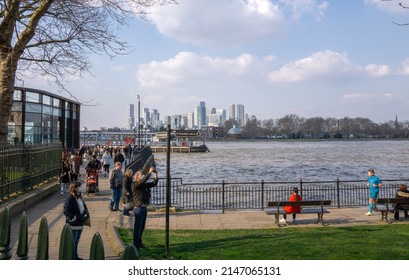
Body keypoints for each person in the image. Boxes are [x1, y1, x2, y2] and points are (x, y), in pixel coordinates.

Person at [131, 166, 158, 249]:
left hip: (144, 207)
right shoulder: (135, 184)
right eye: (141, 174)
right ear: (137, 176)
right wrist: (149, 172)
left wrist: (156, 175)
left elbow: (153, 184)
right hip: (138, 207)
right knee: (137, 226)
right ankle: (135, 244)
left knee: (142, 227)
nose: (142, 175)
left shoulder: (144, 184)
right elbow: (142, 181)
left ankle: (139, 242)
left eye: (142, 174)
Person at [63, 181, 90, 260]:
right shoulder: (69, 198)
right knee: (73, 241)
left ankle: (75, 256)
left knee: (77, 241)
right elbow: (66, 210)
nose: (80, 188)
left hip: (80, 222)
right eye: (79, 186)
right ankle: (72, 257)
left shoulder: (79, 197)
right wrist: (73, 218)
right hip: (73, 224)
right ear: (74, 188)